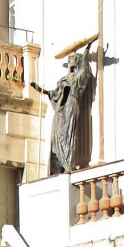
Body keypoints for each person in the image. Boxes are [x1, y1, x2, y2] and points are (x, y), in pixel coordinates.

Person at [32, 41, 94, 175]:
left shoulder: (78, 78)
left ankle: (68, 165)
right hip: (60, 110)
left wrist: (86, 50)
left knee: (68, 135)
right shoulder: (63, 80)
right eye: (69, 58)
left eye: (72, 58)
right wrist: (41, 90)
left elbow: (84, 70)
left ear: (77, 61)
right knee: (56, 139)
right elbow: (54, 93)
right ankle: (57, 168)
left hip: (71, 106)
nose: (70, 60)